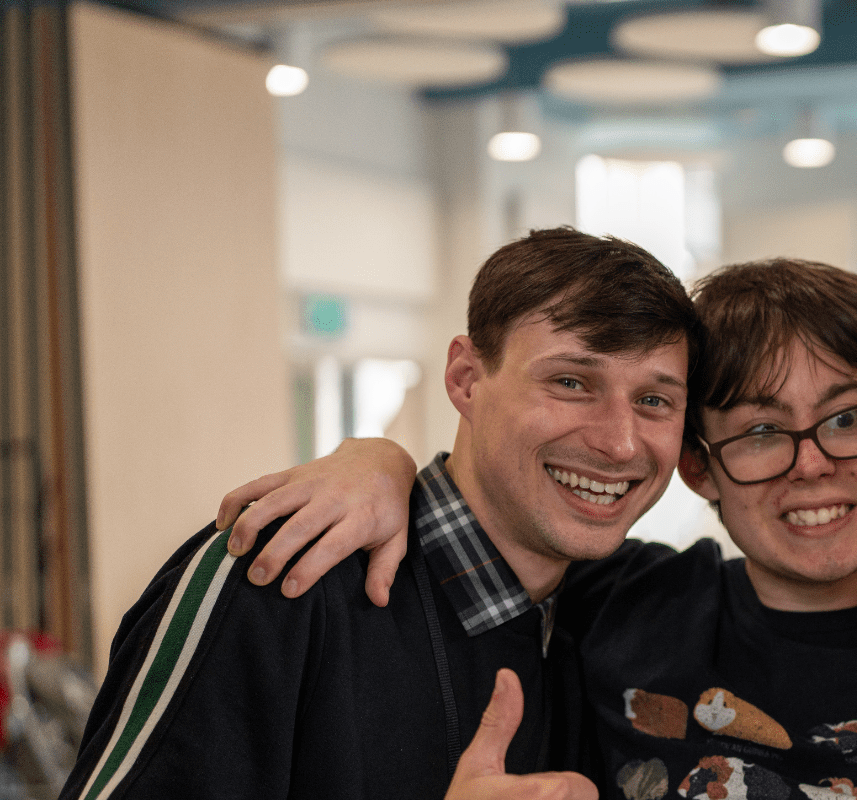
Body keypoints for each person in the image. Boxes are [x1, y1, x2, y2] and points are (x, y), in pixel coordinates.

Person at [211, 259, 857, 800]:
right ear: (699, 466)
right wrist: (377, 461)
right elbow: (493, 521)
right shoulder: (618, 602)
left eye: (847, 420)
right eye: (757, 431)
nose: (810, 463)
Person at [60, 227, 699, 800]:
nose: (619, 442)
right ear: (467, 380)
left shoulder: (622, 606)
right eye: (570, 383)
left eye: (653, 400)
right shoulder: (281, 575)